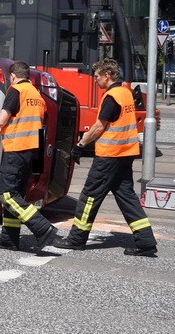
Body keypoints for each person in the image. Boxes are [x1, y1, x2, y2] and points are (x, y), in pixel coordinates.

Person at [53, 58, 158, 257]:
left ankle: (76, 239)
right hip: (125, 154)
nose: (95, 80)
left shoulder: (111, 96)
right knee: (127, 198)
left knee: (89, 197)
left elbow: (99, 126)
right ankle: (145, 241)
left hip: (109, 156)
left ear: (107, 75)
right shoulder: (125, 93)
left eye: (97, 76)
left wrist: (80, 145)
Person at [0, 61, 60, 251]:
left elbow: (2, 120)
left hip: (17, 150)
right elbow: (26, 126)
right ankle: (9, 239)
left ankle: (43, 228)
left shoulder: (16, 90)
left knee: (7, 195)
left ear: (12, 76)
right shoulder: (37, 95)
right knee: (16, 194)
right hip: (33, 151)